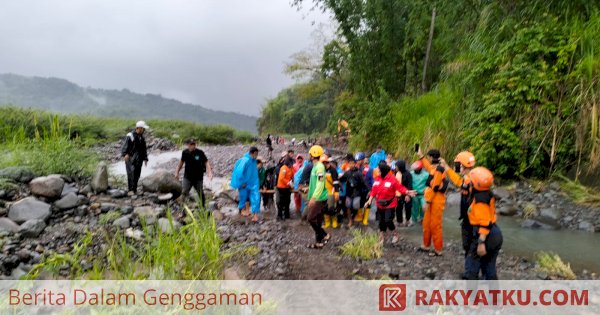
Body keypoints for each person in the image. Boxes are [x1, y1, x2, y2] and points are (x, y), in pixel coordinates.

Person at [463, 167, 503, 280]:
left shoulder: (480, 199)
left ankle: (471, 296)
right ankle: (494, 297)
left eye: (471, 180)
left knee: (471, 266)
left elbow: (484, 223)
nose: (469, 181)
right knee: (489, 267)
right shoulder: (486, 193)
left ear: (475, 183)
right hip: (495, 232)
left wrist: (481, 242)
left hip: (485, 235)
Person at [365, 161, 415, 244]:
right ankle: (382, 238)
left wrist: (407, 192)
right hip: (379, 203)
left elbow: (400, 188)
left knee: (388, 220)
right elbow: (374, 190)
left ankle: (395, 234)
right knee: (381, 221)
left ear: (383, 171)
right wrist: (369, 200)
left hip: (390, 204)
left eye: (379, 169)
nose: (377, 170)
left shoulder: (392, 178)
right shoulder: (377, 178)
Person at [442, 151, 477, 258]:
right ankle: (470, 267)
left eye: (457, 165)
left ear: (462, 165)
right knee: (468, 245)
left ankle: (470, 270)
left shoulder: (471, 180)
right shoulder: (467, 179)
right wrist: (446, 167)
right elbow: (458, 181)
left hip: (473, 220)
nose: (456, 167)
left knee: (470, 245)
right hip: (468, 219)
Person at [418, 148, 449, 256]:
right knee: (426, 224)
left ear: (431, 157)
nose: (428, 159)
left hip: (437, 200)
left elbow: (435, 187)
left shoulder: (440, 169)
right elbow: (427, 166)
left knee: (435, 225)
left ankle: (438, 249)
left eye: (428, 157)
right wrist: (421, 156)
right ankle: (426, 246)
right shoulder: (433, 167)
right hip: (431, 199)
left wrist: (427, 202)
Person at [175, 139, 213, 207]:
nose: (193, 146)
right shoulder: (185, 152)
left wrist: (209, 172)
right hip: (187, 177)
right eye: (191, 144)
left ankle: (203, 207)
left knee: (200, 193)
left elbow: (206, 162)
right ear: (188, 145)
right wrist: (177, 172)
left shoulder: (200, 152)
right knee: (184, 192)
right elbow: (181, 163)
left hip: (198, 177)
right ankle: (182, 208)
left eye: (193, 144)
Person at [306, 145, 330, 249]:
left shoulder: (319, 167)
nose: (309, 155)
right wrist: (309, 190)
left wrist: (314, 197)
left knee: (310, 218)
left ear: (312, 155)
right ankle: (319, 243)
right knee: (318, 221)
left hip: (320, 198)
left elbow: (320, 184)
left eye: (310, 153)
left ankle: (325, 235)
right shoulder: (315, 166)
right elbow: (315, 183)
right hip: (317, 197)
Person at [230, 147, 261, 222]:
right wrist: (242, 182)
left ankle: (255, 215)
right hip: (245, 184)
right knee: (243, 197)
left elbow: (254, 172)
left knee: (256, 198)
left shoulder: (253, 161)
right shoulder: (245, 160)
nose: (257, 156)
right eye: (256, 154)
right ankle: (241, 210)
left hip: (253, 183)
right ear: (252, 153)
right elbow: (239, 172)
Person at [121, 121, 149, 195]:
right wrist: (125, 154)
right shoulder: (130, 136)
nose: (144, 130)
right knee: (131, 173)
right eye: (143, 129)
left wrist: (145, 158)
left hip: (139, 159)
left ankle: (135, 189)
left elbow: (144, 149)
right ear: (139, 128)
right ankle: (130, 190)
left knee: (137, 174)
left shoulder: (142, 137)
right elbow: (125, 146)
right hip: (130, 158)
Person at [339, 156, 367, 228]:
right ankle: (350, 221)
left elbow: (363, 183)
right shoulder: (347, 172)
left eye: (352, 163)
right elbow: (341, 179)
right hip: (349, 193)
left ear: (355, 164)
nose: (351, 165)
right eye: (350, 164)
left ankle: (354, 219)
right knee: (348, 207)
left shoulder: (359, 173)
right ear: (348, 164)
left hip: (357, 193)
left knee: (355, 206)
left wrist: (368, 191)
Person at [322, 155, 340, 229]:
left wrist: (336, 193)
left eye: (324, 163)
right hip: (323, 192)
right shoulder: (321, 170)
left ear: (327, 163)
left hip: (331, 192)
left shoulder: (333, 170)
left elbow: (336, 183)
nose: (323, 165)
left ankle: (334, 221)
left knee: (331, 207)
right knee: (324, 208)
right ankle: (327, 222)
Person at [395, 160, 413, 227]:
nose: (395, 167)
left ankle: (408, 220)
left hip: (407, 193)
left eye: (397, 166)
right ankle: (399, 221)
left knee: (408, 208)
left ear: (401, 166)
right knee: (398, 208)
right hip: (398, 194)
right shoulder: (396, 172)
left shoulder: (408, 174)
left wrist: (408, 195)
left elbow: (410, 185)